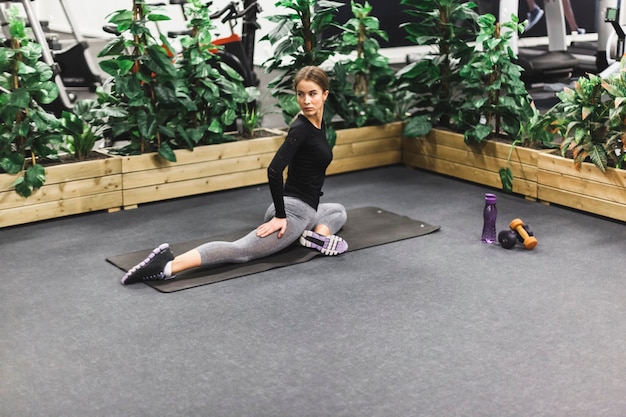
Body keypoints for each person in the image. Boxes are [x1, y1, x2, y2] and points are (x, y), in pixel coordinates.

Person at [121, 66, 349, 285]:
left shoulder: (317, 121)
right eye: (301, 94)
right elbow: (273, 170)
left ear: (324, 95)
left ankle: (318, 236)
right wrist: (280, 216)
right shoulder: (301, 128)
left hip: (306, 209)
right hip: (292, 215)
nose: (306, 100)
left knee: (338, 211)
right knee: (242, 250)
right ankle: (166, 266)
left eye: (312, 94)